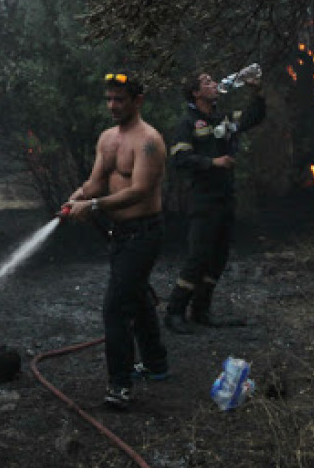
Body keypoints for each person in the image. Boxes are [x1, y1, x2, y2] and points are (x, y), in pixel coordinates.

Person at [63, 71, 168, 410]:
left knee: (115, 308)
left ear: (138, 101)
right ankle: (156, 365)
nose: (112, 105)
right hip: (120, 234)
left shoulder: (149, 141)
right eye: (108, 99)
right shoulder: (107, 139)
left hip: (144, 233)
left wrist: (92, 206)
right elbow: (96, 182)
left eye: (119, 100)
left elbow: (139, 191)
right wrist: (75, 198)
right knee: (136, 297)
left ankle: (119, 386)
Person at [164, 68, 266, 334]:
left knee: (218, 257)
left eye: (212, 81)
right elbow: (179, 159)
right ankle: (174, 311)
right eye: (207, 82)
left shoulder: (223, 118)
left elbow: (253, 118)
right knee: (198, 256)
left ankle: (201, 310)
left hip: (225, 196)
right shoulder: (188, 124)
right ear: (196, 93)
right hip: (203, 199)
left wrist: (256, 91)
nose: (214, 83)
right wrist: (213, 162)